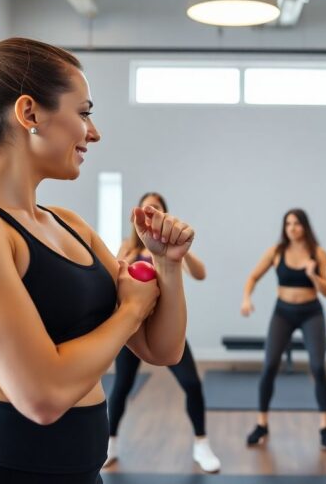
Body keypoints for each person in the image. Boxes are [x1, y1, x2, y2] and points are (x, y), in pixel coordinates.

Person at [0, 28, 193, 484]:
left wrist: (168, 264)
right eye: (84, 113)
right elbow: (42, 396)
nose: (93, 133)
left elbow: (163, 349)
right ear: (29, 112)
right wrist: (132, 310)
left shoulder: (70, 225)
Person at [105, 192, 220, 473]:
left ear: (165, 214)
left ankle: (201, 443)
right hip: (132, 329)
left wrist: (181, 251)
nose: (151, 211)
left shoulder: (172, 246)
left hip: (166, 328)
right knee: (121, 387)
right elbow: (113, 281)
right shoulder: (127, 248)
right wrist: (129, 256)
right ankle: (111, 443)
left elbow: (201, 273)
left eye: (156, 208)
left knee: (192, 384)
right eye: (146, 208)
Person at [241, 209, 326, 450]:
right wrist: (246, 299)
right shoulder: (276, 252)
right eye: (288, 223)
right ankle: (262, 424)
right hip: (283, 312)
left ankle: (325, 426)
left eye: (297, 223)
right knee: (270, 365)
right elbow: (253, 277)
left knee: (317, 367)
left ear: (305, 226)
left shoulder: (319, 253)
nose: (292, 228)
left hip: (311, 312)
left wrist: (313, 274)